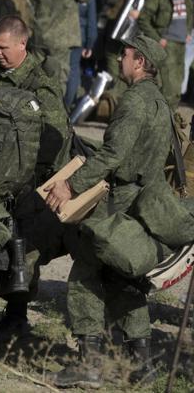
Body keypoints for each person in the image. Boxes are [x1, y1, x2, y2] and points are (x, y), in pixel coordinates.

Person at [44, 32, 172, 389]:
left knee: (85, 275)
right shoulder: (161, 102)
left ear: (141, 62)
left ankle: (89, 367)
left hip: (118, 203)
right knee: (124, 281)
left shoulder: (134, 102)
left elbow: (113, 155)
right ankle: (142, 366)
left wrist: (71, 184)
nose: (119, 59)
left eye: (125, 54)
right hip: (142, 200)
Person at [0, 16, 75, 336]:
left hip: (29, 180)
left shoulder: (39, 85)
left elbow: (56, 135)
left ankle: (17, 313)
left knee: (23, 249)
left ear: (22, 44)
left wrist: (34, 178)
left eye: (3, 47)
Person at [27, 0, 92, 89]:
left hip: (40, 33)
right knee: (58, 80)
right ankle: (54, 110)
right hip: (61, 37)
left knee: (37, 75)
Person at [138, 0, 194, 109]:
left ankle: (168, 124)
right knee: (165, 88)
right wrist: (158, 38)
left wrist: (188, 30)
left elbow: (190, 13)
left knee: (176, 90)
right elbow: (143, 19)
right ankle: (157, 125)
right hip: (165, 46)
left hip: (181, 46)